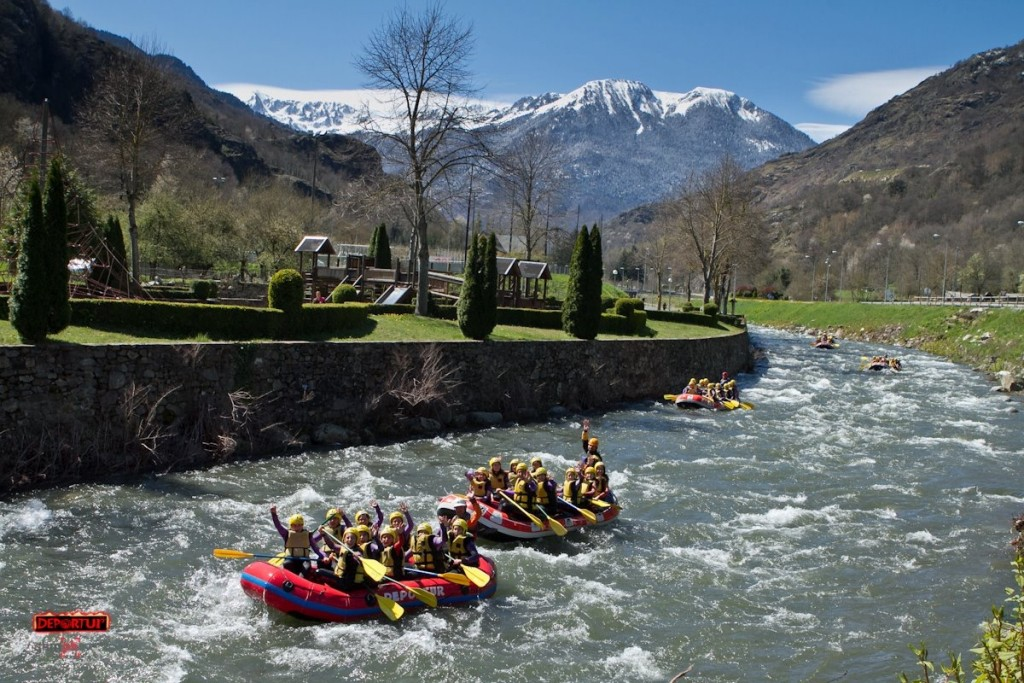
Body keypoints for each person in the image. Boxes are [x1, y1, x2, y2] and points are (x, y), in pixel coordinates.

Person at [270, 506, 324, 577]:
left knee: (307, 566)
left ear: (302, 525)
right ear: (291, 525)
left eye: (299, 525)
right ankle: (291, 578)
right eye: (294, 525)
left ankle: (300, 580)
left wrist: (324, 557)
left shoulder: (307, 535)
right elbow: (278, 525)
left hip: (304, 560)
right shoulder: (286, 534)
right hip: (291, 558)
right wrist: (273, 514)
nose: (297, 527)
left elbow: (316, 549)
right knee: (287, 564)